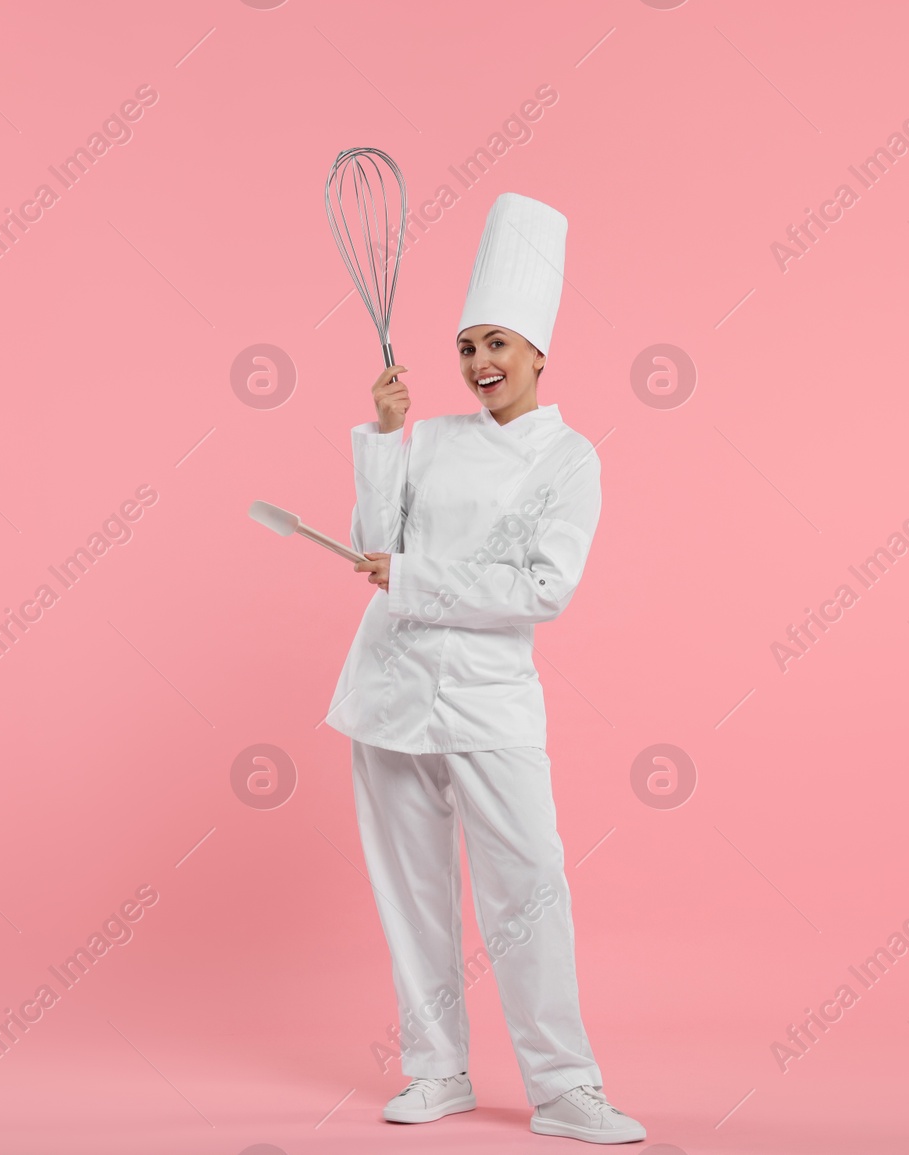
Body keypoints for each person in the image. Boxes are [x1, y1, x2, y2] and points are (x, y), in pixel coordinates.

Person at [325, 192, 645, 1144]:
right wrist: (384, 438)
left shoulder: (569, 458)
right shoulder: (429, 439)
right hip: (389, 691)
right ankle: (437, 1070)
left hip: (492, 701)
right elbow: (371, 546)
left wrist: (415, 574)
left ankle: (563, 1085)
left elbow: (543, 586)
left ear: (540, 352)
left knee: (530, 884)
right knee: (410, 889)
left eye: (497, 344)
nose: (480, 365)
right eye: (467, 347)